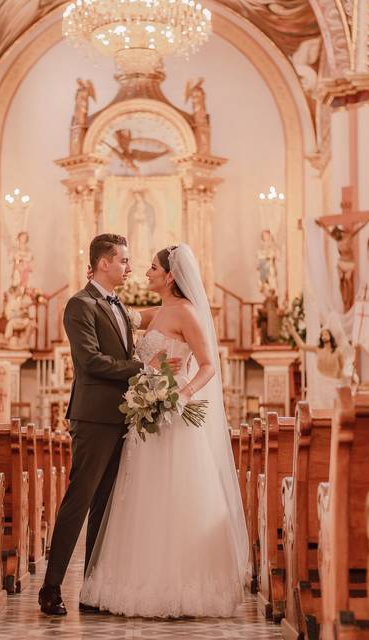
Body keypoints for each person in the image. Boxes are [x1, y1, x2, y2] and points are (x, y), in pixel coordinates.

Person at [79, 244, 249, 618]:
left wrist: (179, 394)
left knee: (174, 496)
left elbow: (207, 365)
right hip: (145, 419)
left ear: (170, 275)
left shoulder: (187, 313)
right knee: (142, 499)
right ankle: (139, 580)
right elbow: (114, 313)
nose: (146, 272)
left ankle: (178, 584)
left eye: (152, 268)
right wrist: (95, 283)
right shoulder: (158, 312)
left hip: (173, 416)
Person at [39, 234, 181, 616]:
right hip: (94, 417)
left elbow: (161, 315)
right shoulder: (79, 305)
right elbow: (90, 361)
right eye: (123, 261)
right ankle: (51, 588)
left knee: (106, 506)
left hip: (123, 415)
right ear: (104, 263)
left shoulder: (119, 306)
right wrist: (144, 368)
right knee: (80, 500)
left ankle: (91, 589)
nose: (129, 268)